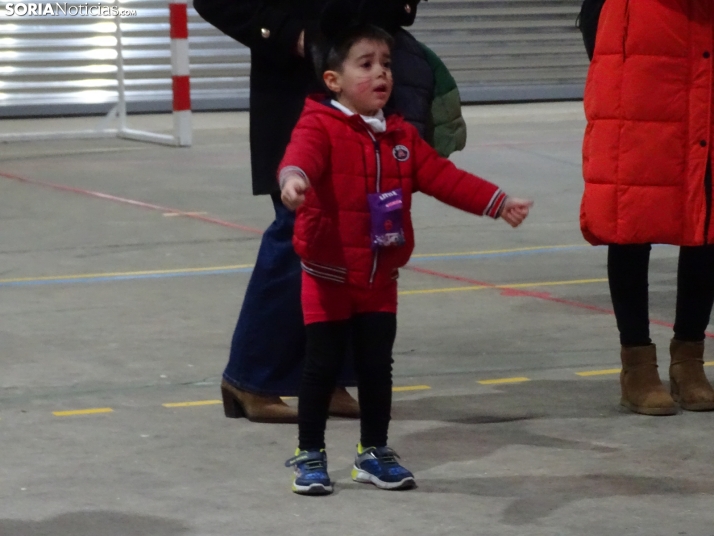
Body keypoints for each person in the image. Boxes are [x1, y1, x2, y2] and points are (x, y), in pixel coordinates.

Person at [279, 23, 533, 495]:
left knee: (378, 365)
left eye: (387, 64)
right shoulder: (319, 124)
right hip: (328, 273)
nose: (382, 74)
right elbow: (301, 156)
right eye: (367, 64)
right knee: (321, 366)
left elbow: (443, 177)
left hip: (380, 274)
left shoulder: (400, 136)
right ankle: (310, 453)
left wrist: (497, 202)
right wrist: (293, 180)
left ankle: (374, 452)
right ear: (333, 80)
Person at [193, 0, 442, 423]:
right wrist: (293, 36)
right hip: (298, 87)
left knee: (351, 238)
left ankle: (328, 378)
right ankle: (250, 377)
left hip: (362, 80)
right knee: (299, 233)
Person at [580, 0, 714, 415]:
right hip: (643, 67)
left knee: (706, 219)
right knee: (631, 213)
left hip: (703, 60)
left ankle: (689, 359)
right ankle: (636, 364)